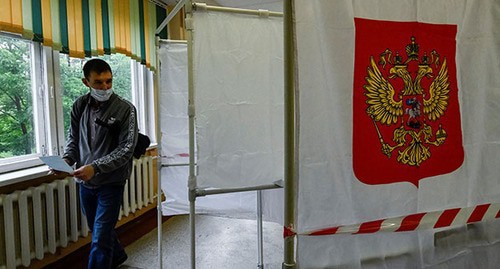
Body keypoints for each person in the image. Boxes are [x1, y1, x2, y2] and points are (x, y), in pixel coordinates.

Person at [62, 58, 138, 268]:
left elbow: (126, 149)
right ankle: (118, 256)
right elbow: (73, 138)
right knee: (98, 230)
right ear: (86, 82)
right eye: (98, 82)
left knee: (100, 237)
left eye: (109, 81)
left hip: (111, 181)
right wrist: (67, 159)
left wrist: (95, 168)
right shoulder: (79, 106)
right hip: (85, 183)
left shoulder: (126, 109)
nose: (105, 87)